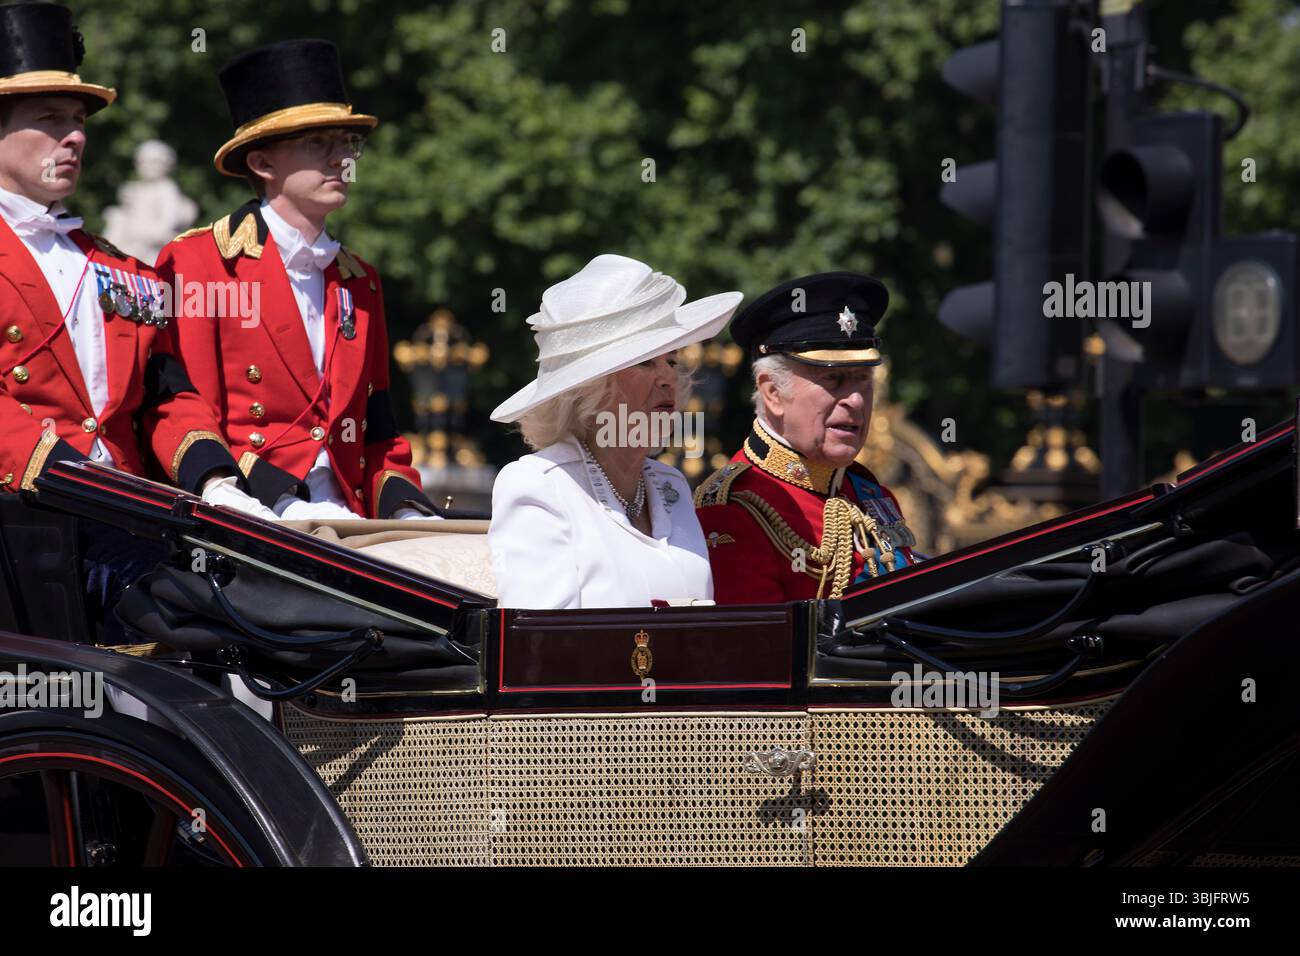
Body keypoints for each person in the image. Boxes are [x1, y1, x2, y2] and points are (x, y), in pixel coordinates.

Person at [0, 2, 272, 640]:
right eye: (50, 120)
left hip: (126, 528)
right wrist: (59, 471)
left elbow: (166, 393)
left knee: (245, 621)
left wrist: (216, 480)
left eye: (78, 121)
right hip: (20, 530)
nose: (75, 137)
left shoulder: (123, 270)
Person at [154, 39, 440, 521]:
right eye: (317, 143)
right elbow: (185, 405)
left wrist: (409, 511)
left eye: (346, 143)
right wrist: (246, 493)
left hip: (350, 520)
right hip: (248, 513)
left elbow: (378, 432)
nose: (341, 159)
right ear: (262, 164)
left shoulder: (360, 280)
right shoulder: (200, 261)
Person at [488, 254, 742, 609]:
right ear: (589, 386)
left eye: (672, 360)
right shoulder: (538, 485)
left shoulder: (672, 485)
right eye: (646, 361)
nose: (669, 378)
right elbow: (536, 646)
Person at [695, 271, 919, 603]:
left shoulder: (868, 492)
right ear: (773, 392)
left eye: (862, 379)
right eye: (834, 380)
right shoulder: (734, 510)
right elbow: (763, 650)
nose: (855, 400)